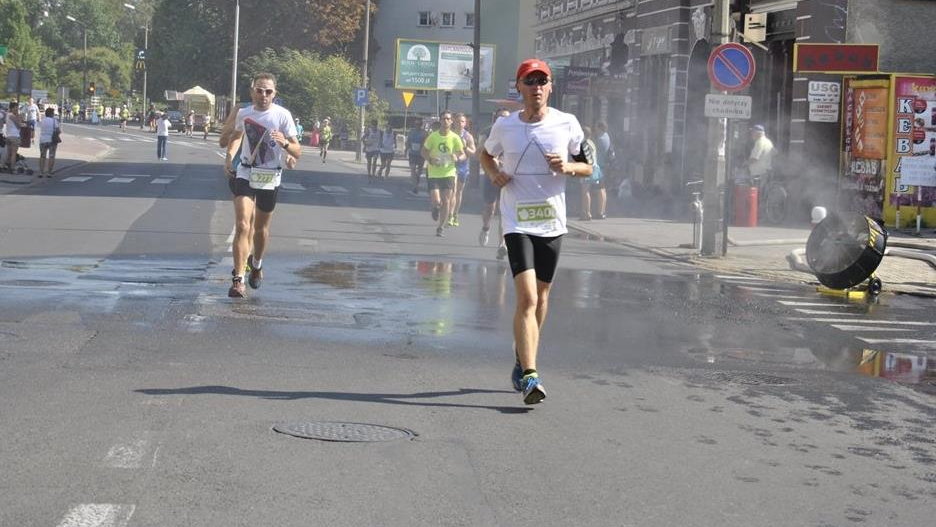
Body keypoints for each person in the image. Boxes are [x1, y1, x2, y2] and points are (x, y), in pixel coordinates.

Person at [479, 59, 593, 404]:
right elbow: (485, 155)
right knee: (527, 297)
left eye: (543, 81)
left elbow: (590, 167)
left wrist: (569, 166)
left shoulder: (567, 123)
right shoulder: (505, 126)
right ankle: (531, 375)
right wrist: (494, 174)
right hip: (516, 221)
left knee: (542, 297)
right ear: (519, 87)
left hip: (552, 223)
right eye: (530, 81)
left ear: (551, 87)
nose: (537, 87)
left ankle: (521, 356)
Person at [223, 72, 301, 298]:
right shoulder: (245, 113)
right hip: (246, 172)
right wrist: (229, 156)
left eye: (268, 91)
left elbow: (297, 150)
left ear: (275, 94)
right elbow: (237, 136)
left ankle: (256, 264)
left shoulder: (283, 116)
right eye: (259, 90)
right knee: (243, 225)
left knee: (261, 230)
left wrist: (285, 145)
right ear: (252, 91)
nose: (263, 95)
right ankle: (238, 280)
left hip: (270, 176)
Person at [422, 110, 465, 238]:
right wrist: (430, 159)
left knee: (446, 201)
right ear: (440, 120)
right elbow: (423, 151)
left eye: (448, 119)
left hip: (449, 172)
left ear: (451, 121)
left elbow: (462, 153)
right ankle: (435, 208)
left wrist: (457, 158)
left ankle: (440, 227)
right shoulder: (433, 136)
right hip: (434, 172)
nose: (446, 121)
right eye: (443, 119)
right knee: (437, 201)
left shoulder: (455, 137)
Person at [478, 108, 511, 254]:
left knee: (504, 211)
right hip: (491, 174)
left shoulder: (514, 133)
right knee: (489, 208)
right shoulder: (487, 131)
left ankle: (502, 244)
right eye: (501, 118)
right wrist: (493, 160)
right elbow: (480, 151)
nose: (504, 121)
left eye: (506, 118)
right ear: (495, 118)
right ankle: (486, 228)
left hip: (507, 176)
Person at [449, 112, 477, 227]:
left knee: (459, 192)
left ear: (465, 124)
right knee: (453, 191)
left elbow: (473, 153)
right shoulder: (449, 134)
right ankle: (450, 215)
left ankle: (455, 214)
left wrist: (465, 147)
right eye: (457, 121)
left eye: (462, 121)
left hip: (463, 167)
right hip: (451, 167)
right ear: (453, 122)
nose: (459, 124)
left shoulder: (468, 136)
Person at [579, 126, 606, 220]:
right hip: (595, 168)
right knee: (598, 190)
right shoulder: (592, 143)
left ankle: (587, 213)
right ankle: (598, 212)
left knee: (585, 191)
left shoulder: (584, 143)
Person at [37, 107, 61, 178]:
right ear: (51, 114)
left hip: (43, 140)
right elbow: (58, 131)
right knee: (51, 156)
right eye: (53, 113)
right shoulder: (54, 121)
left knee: (42, 156)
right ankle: (49, 172)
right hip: (52, 141)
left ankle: (41, 172)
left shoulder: (43, 121)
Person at [406, 122, 427, 194]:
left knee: (419, 171)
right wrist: (406, 150)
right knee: (412, 168)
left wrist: (423, 147)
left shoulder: (424, 133)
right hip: (412, 153)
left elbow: (427, 142)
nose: (417, 126)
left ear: (421, 125)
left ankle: (416, 181)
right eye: (416, 124)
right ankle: (415, 186)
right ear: (414, 125)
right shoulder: (411, 132)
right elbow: (408, 141)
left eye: (419, 124)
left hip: (421, 154)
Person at [3, 102, 23, 171]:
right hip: (14, 136)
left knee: (8, 153)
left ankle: (4, 166)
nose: (17, 109)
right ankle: (12, 168)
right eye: (16, 107)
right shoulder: (12, 116)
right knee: (13, 153)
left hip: (8, 136)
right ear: (12, 108)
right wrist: (19, 117)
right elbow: (19, 125)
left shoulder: (8, 115)